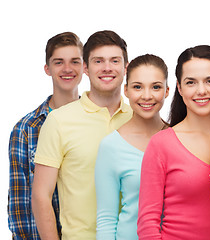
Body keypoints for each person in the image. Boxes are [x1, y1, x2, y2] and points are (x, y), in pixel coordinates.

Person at [31, 30, 133, 240]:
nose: (107, 68)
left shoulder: (139, 118)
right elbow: (41, 196)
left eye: (115, 60)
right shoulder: (59, 121)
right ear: (86, 68)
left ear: (126, 67)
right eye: (98, 61)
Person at [137, 45, 210, 240]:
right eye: (191, 82)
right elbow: (148, 221)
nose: (201, 90)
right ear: (179, 88)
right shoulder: (161, 144)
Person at [8, 31, 83, 240]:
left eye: (74, 61)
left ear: (85, 67)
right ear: (47, 69)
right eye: (59, 62)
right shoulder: (25, 129)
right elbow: (20, 205)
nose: (67, 69)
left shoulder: (99, 121)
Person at [95, 54, 169, 240]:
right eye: (137, 87)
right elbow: (106, 218)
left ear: (167, 91)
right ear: (126, 90)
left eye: (156, 87)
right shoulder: (111, 146)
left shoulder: (179, 138)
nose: (146, 96)